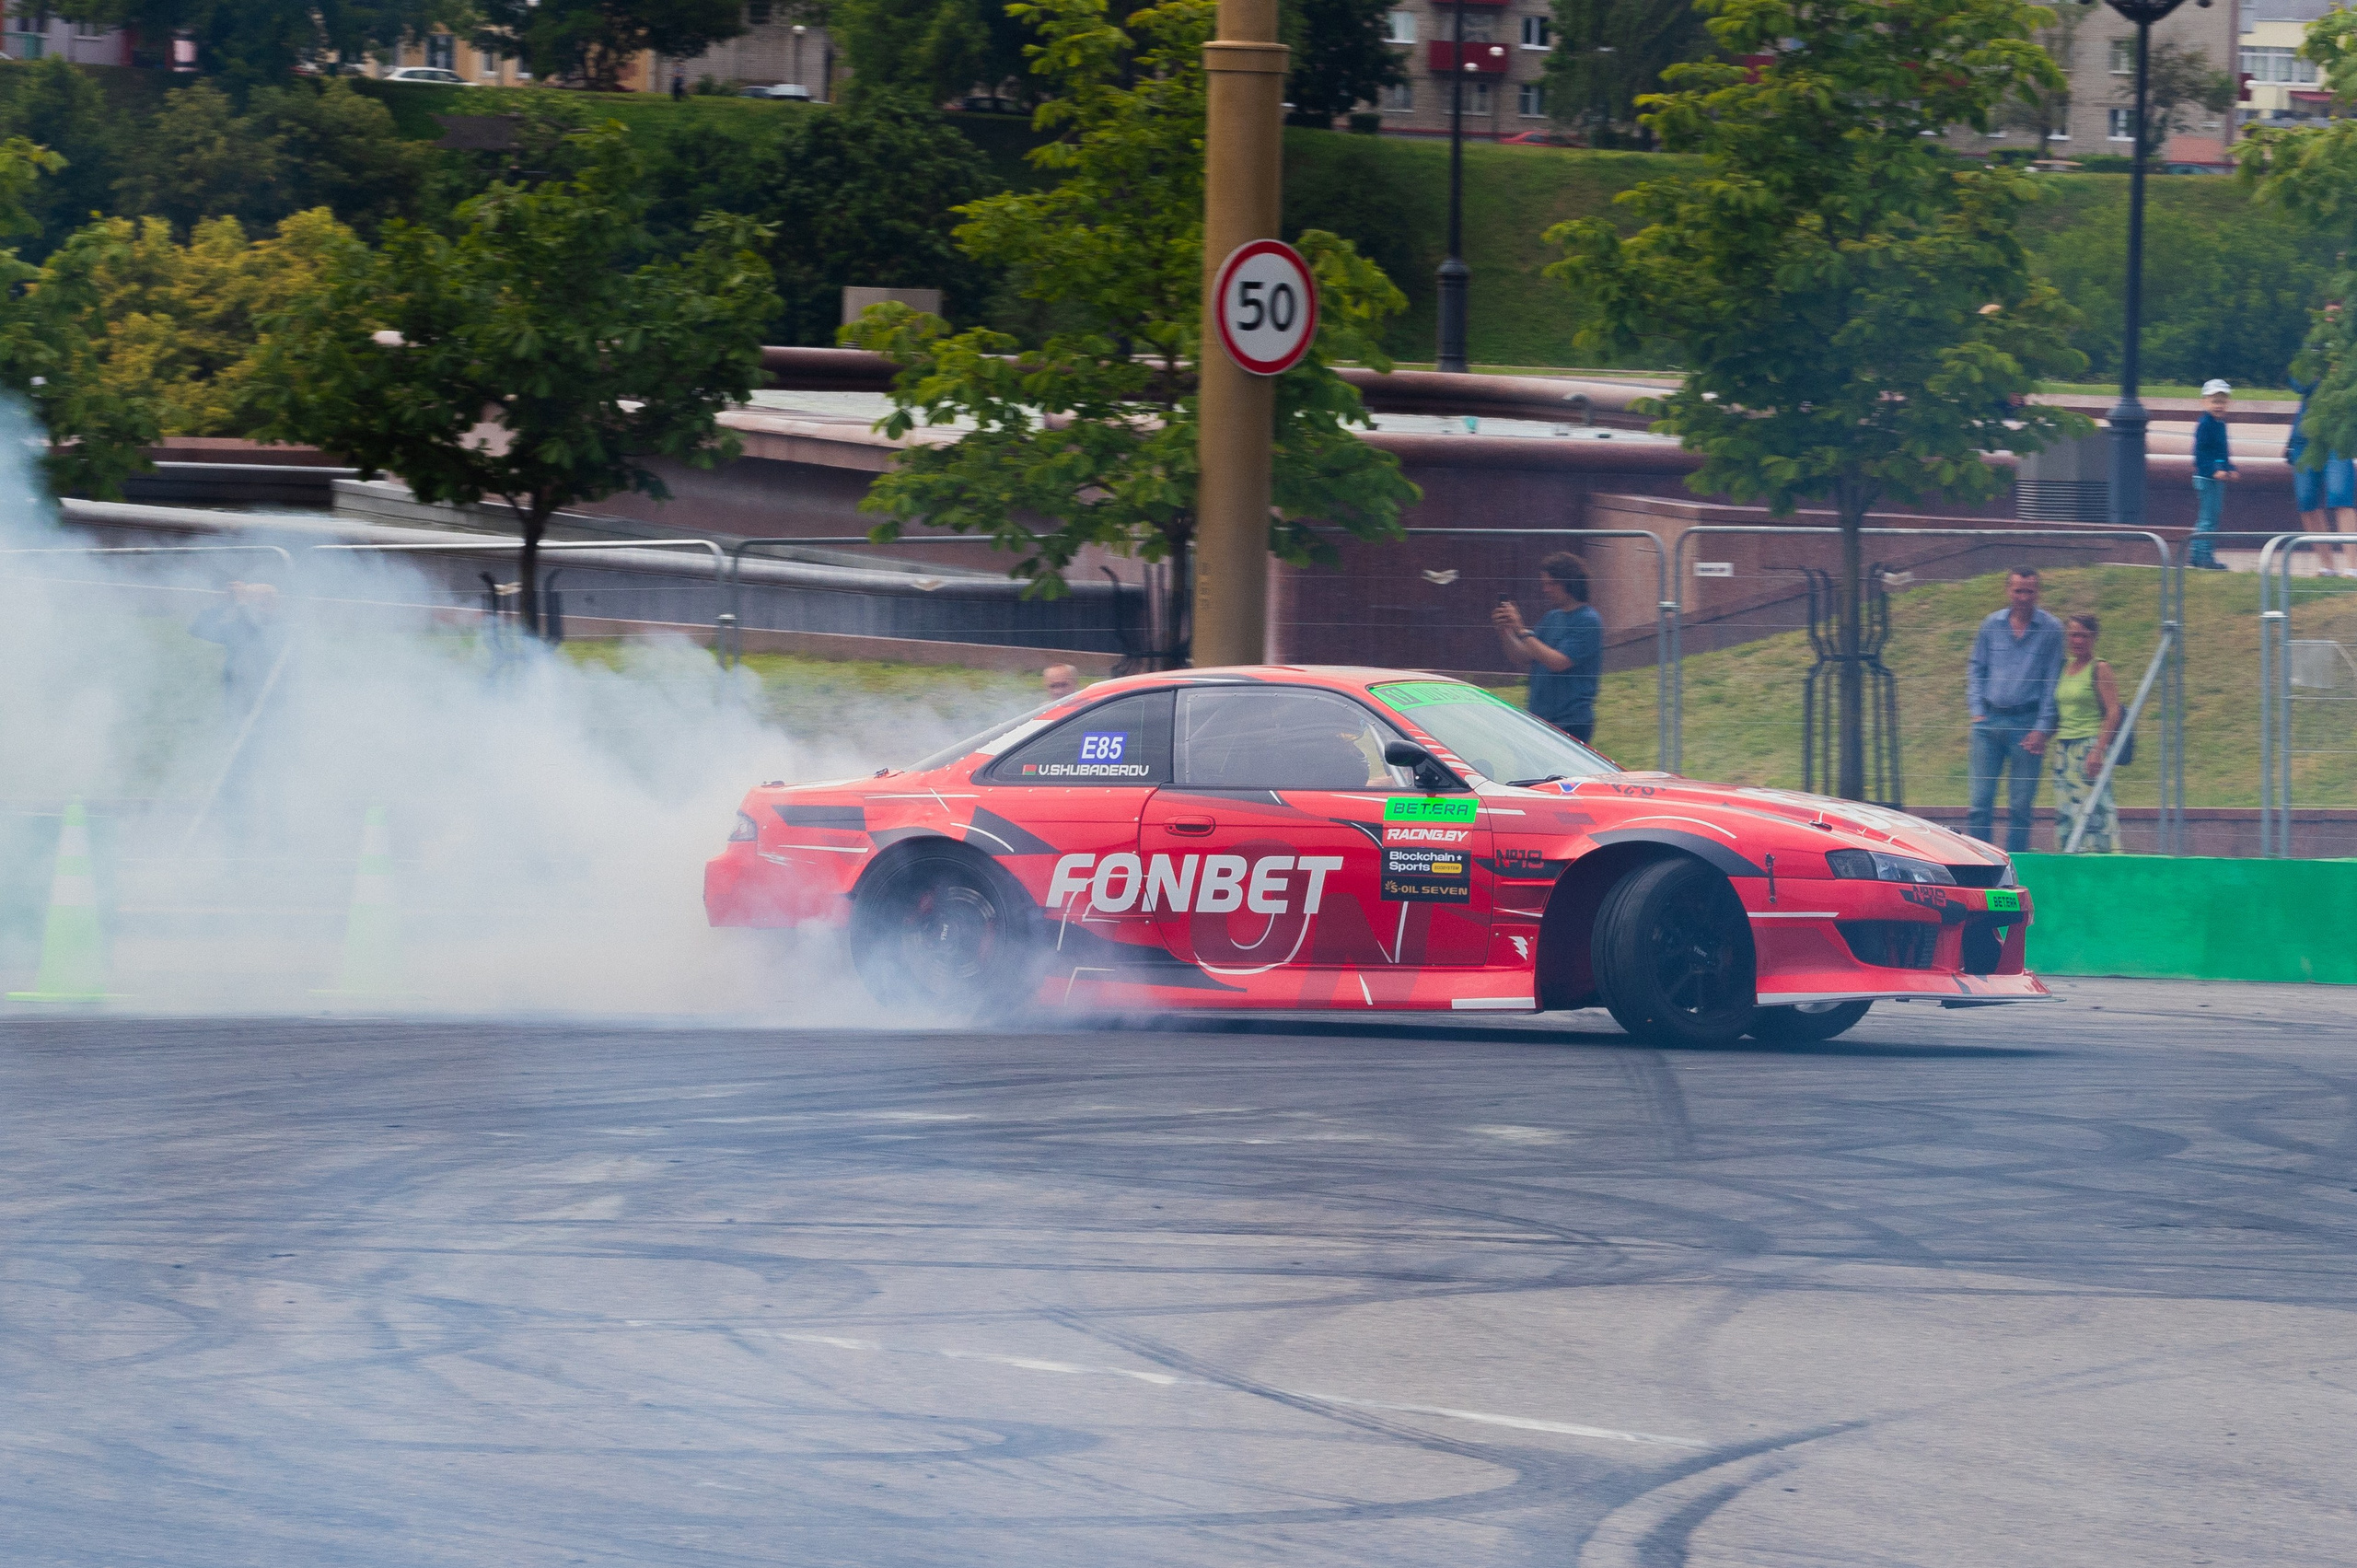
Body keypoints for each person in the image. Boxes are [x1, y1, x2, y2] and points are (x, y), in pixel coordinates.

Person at [1967, 566, 2065, 851]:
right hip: (1988, 722)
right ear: (2008, 590)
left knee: (2021, 806)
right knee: (1979, 803)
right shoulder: (1990, 625)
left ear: (2038, 593)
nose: (2024, 597)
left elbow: (2052, 680)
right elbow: (1976, 668)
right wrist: (1976, 710)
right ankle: (1979, 862)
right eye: (2018, 590)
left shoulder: (2051, 630)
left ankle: (2017, 863)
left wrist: (2043, 728)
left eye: (2030, 591)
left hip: (2026, 724)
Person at [1491, 552, 1603, 742]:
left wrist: (1521, 630)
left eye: (1550, 584)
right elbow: (1523, 656)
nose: (1545, 590)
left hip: (1571, 723)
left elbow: (1558, 662)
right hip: (1540, 721)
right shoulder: (1552, 618)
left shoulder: (1588, 620)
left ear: (1568, 583)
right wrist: (1506, 632)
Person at [2049, 612, 2122, 854]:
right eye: (2072, 635)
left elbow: (2113, 711)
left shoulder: (2099, 668)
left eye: (2082, 635)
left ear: (2093, 637)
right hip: (2064, 749)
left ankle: (2103, 858)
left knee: (2094, 811)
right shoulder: (2063, 667)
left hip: (2088, 745)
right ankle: (2071, 857)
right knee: (2067, 812)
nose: (2077, 640)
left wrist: (2098, 749)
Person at [2288, 367, 2357, 580]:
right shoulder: (2313, 349)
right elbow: (2297, 383)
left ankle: (2353, 568)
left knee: (2341, 496)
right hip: (2306, 439)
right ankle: (2327, 566)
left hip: (2338, 437)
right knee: (2306, 501)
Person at [2189, 378, 2236, 571]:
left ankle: (2199, 555)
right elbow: (2201, 454)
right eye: (2214, 401)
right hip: (2206, 478)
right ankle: (2202, 557)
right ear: (2204, 402)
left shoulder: (2220, 424)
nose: (2219, 405)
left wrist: (2230, 467)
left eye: (2222, 401)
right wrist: (2212, 470)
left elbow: (2222, 451)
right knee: (2207, 519)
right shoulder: (2205, 425)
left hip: (2216, 478)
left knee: (2211, 517)